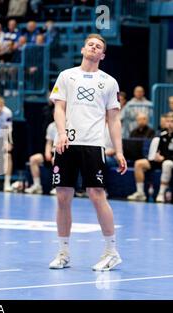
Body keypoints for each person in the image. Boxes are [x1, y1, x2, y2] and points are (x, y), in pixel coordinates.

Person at [49, 34, 127, 271]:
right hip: (66, 144)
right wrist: (61, 133)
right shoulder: (66, 76)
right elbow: (59, 108)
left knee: (96, 194)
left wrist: (119, 151)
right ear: (83, 49)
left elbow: (114, 120)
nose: (94, 48)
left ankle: (111, 251)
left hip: (93, 145)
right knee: (62, 196)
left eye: (99, 47)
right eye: (91, 44)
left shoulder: (109, 82)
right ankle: (63, 252)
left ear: (102, 55)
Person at [127, 112, 173, 203]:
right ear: (165, 123)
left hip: (172, 162)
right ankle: (140, 193)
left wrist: (165, 158)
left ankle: (161, 193)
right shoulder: (161, 135)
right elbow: (157, 151)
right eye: (168, 121)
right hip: (160, 160)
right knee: (138, 163)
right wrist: (156, 156)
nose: (170, 124)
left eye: (172, 121)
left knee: (167, 164)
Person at [25, 120, 57, 195]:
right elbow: (49, 142)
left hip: (62, 153)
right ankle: (37, 185)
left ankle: (57, 186)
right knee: (33, 159)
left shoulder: (67, 125)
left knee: (55, 160)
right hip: (52, 151)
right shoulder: (51, 126)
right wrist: (47, 152)